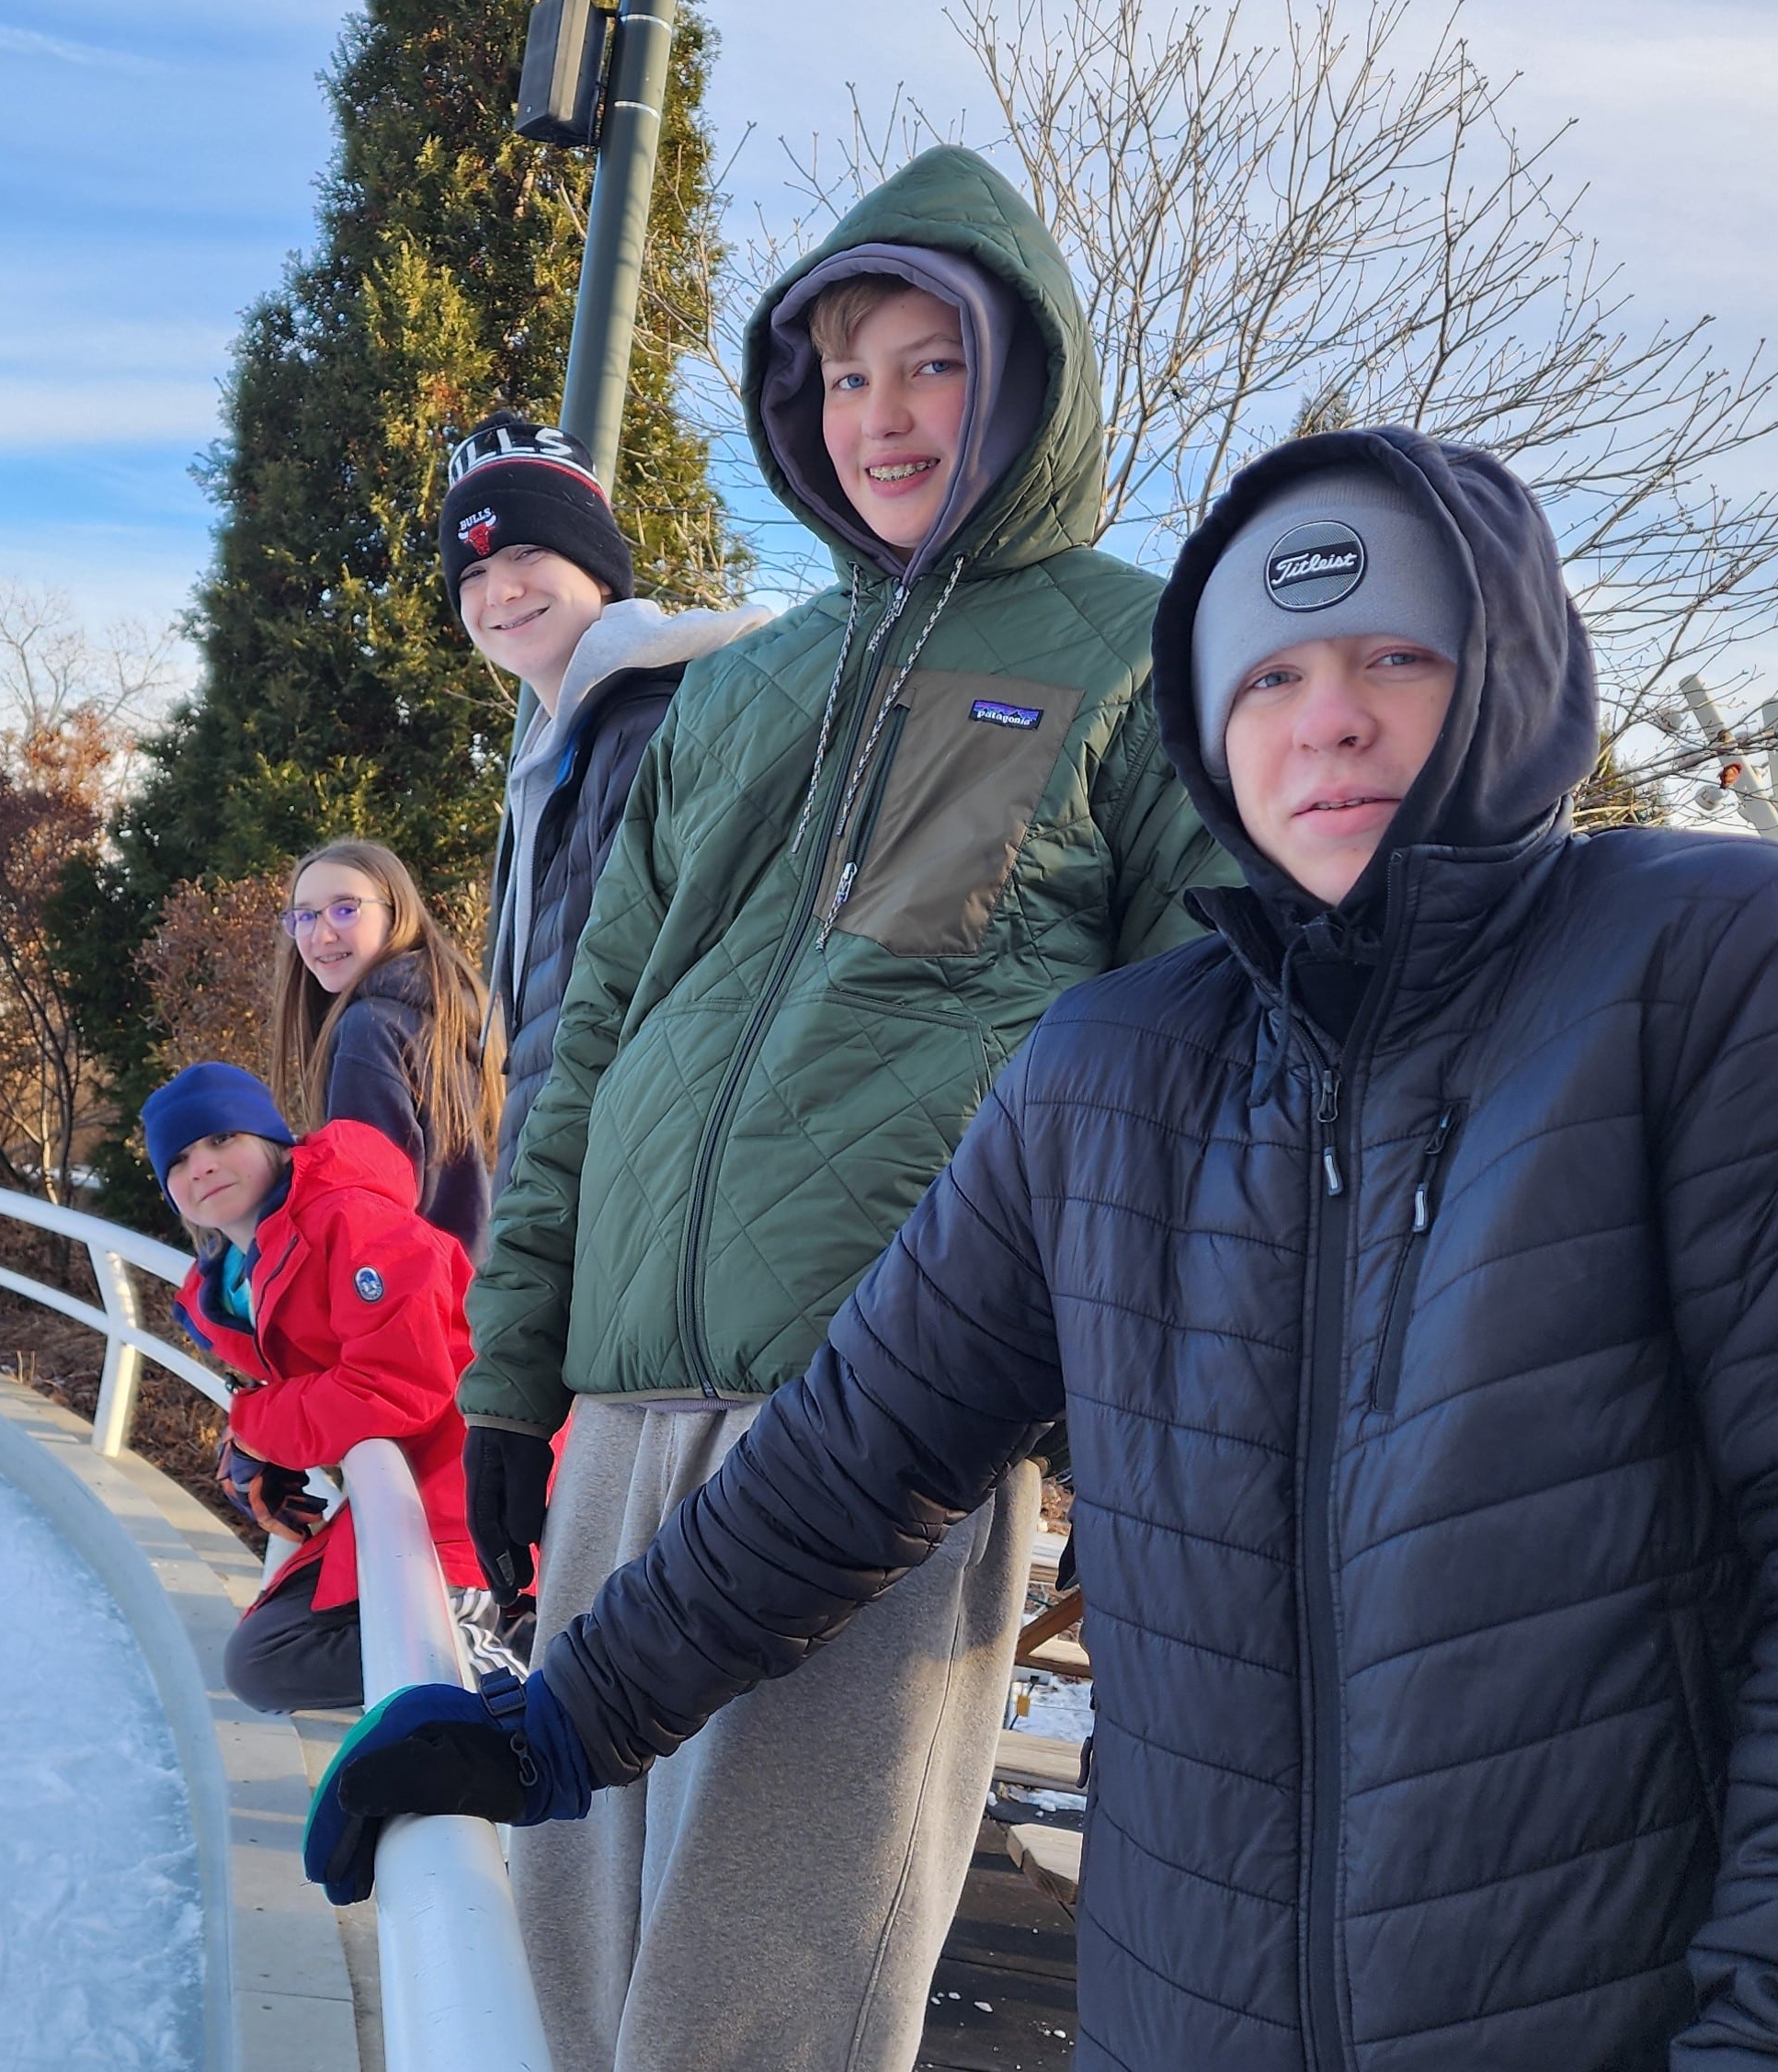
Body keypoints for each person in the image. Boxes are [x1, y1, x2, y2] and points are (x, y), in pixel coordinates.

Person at [311, 427, 1778, 2070]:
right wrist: (559, 1726)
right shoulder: (1113, 1063)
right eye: (1268, 674)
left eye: (1393, 657)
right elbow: (851, 1451)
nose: (1328, 717)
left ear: (1506, 670)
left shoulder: (1716, 970)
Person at [455, 144, 1228, 2072]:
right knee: (576, 1966)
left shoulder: (1142, 654)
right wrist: (506, 1382)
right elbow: (589, 1052)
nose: (879, 414)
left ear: (1026, 375)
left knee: (760, 2004)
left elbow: (1198, 1084)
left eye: (932, 364)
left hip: (888, 1435)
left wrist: (1150, 1451)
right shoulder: (731, 688)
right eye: (846, 371)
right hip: (629, 1410)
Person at [438, 412, 768, 1197]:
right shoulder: (563, 756)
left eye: (528, 552)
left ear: (598, 567)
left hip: (645, 1194)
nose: (500, 590)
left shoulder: (653, 728)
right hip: (589, 1194)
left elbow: (649, 1024)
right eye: (472, 573)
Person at [142, 1061, 511, 1713]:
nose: (201, 1165)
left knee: (274, 1660)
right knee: (261, 1661)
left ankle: (517, 1658)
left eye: (222, 1139)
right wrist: (257, 1444)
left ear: (273, 1143)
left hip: (476, 1489)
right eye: (178, 1159)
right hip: (410, 1484)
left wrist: (259, 1426)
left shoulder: (352, 1220)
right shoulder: (241, 1276)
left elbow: (397, 1385)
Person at [269, 837, 501, 1263]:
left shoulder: (369, 1031)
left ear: (397, 915)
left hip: (417, 1306)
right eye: (303, 917)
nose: (320, 934)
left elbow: (369, 1218)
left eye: (345, 909)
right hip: (479, 1293)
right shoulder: (453, 1012)